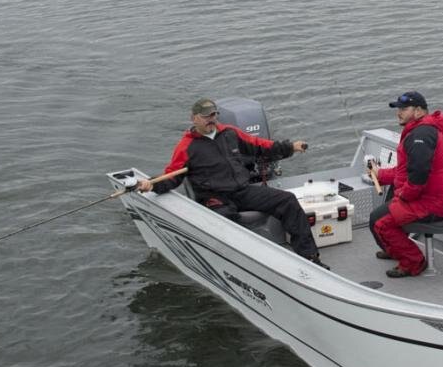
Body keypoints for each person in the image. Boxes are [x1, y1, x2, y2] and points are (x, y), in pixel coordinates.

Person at [136, 97, 328, 268]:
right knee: (225, 224)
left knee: (287, 200)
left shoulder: (230, 133)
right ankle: (240, 266)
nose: (211, 119)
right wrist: (151, 185)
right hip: (215, 198)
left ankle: (310, 258)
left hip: (242, 191)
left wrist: (290, 147)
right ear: (194, 118)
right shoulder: (186, 146)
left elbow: (261, 146)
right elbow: (171, 176)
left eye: (214, 115)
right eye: (206, 116)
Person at [367, 91, 443, 278]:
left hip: (432, 204)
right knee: (377, 216)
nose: (398, 113)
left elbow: (418, 176)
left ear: (418, 111)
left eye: (404, 109)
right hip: (429, 196)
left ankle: (414, 263)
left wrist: (402, 197)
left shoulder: (421, 135)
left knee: (380, 223)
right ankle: (395, 249)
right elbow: (406, 171)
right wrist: (380, 174)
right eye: (398, 109)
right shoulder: (421, 130)